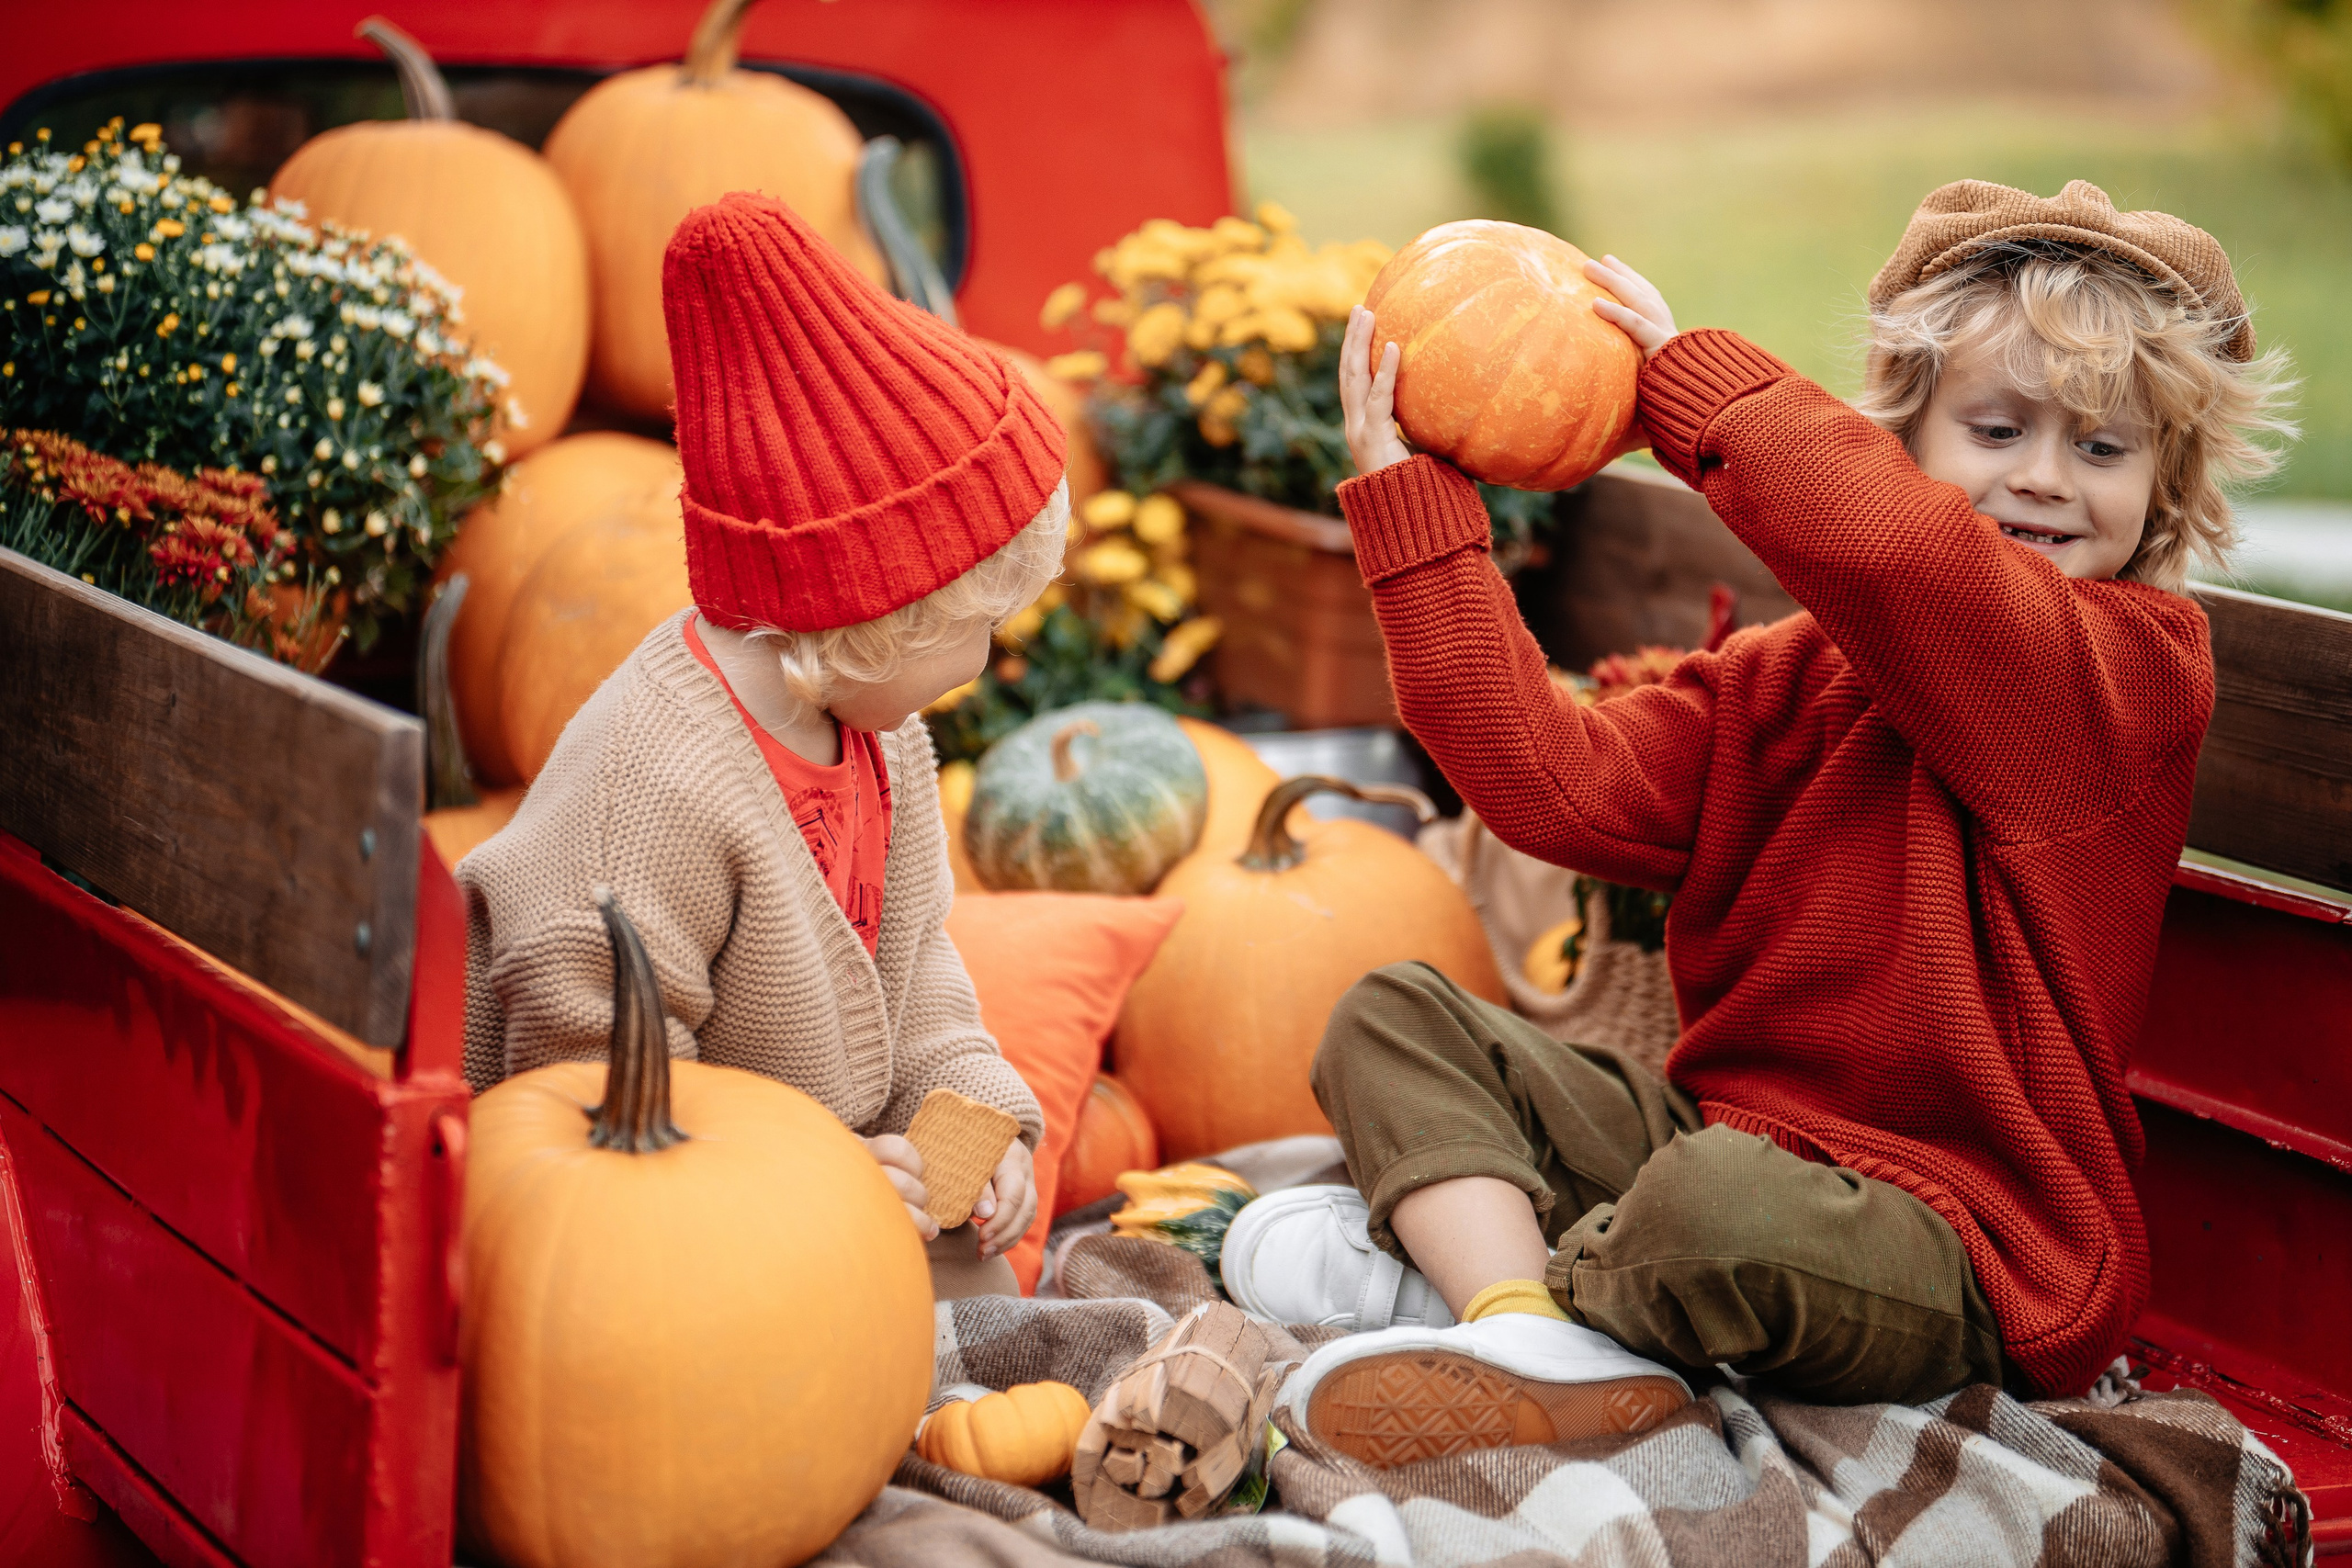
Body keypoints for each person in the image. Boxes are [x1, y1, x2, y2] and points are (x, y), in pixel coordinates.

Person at [1259, 179, 2296, 1468]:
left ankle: (1470, 1290)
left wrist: (1691, 392)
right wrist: (1420, 516)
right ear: (1902, 439)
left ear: (2165, 483)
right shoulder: (1791, 674)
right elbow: (1549, 781)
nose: (2042, 475)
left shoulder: (2123, 673)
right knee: (1394, 1012)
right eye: (1995, 426)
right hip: (1732, 1142)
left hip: (1964, 1237)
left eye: (2102, 448)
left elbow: (1917, 569)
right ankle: (1515, 1323)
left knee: (1708, 1208)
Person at [455, 192, 1069, 1299]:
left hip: (823, 1199)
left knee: (990, 1291)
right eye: (982, 625)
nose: (994, 656)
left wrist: (977, 1127)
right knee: (890, 1355)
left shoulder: (884, 735)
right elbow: (595, 1086)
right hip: (652, 1252)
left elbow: (919, 969)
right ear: (878, 616)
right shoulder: (653, 788)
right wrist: (821, 1178)